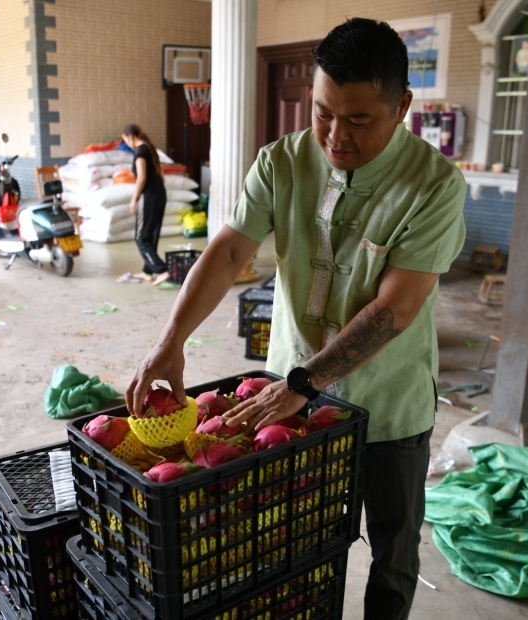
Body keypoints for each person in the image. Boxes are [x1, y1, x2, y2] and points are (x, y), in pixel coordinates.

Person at [125, 17, 466, 620]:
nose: (336, 136)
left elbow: (396, 307)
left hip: (389, 404)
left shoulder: (433, 186)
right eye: (322, 113)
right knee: (293, 544)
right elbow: (230, 250)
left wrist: (305, 382)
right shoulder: (281, 162)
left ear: (403, 106)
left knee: (393, 551)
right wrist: (170, 340)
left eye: (359, 119)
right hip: (285, 399)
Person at [122, 124, 171, 285]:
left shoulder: (140, 151)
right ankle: (147, 271)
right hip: (159, 194)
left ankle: (161, 270)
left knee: (141, 238)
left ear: (130, 137)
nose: (127, 144)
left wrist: (133, 199)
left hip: (149, 196)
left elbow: (141, 177)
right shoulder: (150, 148)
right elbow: (160, 175)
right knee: (151, 234)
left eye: (125, 140)